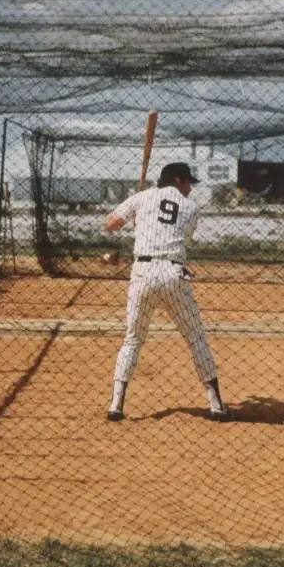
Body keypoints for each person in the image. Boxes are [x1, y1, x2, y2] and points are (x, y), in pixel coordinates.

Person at [103, 162, 233, 422]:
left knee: (133, 339)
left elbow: (110, 225)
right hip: (174, 273)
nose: (189, 189)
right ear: (177, 180)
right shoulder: (192, 208)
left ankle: (116, 404)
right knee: (196, 338)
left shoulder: (141, 197)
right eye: (187, 183)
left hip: (143, 273)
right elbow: (179, 234)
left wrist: (135, 216)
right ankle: (216, 404)